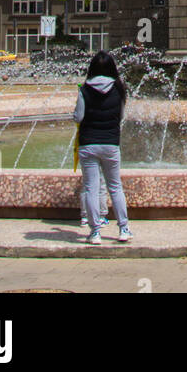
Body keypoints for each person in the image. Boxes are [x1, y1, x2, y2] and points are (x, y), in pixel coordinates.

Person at [73, 50, 132, 245]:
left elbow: (78, 117)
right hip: (110, 143)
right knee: (115, 187)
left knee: (91, 188)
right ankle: (124, 229)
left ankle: (95, 232)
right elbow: (121, 116)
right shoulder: (120, 89)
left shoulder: (84, 90)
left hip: (88, 143)